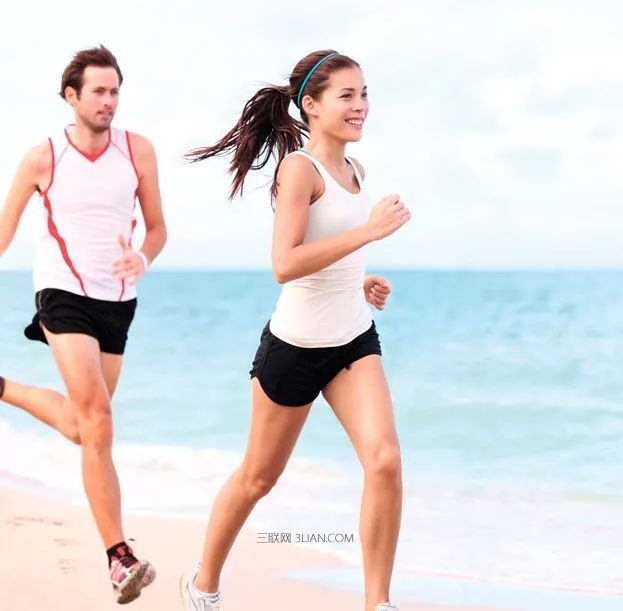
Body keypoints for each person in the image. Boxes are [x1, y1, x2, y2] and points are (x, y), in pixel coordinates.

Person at [181, 49, 410, 611]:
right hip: (295, 348)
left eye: (364, 94)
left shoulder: (355, 171)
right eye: (347, 96)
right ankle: (203, 585)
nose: (361, 106)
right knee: (259, 478)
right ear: (311, 104)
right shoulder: (298, 169)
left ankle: (376, 603)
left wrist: (359, 282)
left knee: (384, 461)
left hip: (353, 340)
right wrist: (370, 235)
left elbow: (328, 257)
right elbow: (285, 263)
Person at [0, 45, 167, 604]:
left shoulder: (138, 151)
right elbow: (3, 236)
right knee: (99, 419)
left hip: (118, 299)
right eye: (98, 90)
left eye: (115, 90)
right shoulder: (42, 158)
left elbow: (158, 230)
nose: (109, 101)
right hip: (61, 292)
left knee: (83, 426)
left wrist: (140, 259)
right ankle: (120, 557)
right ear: (71, 96)